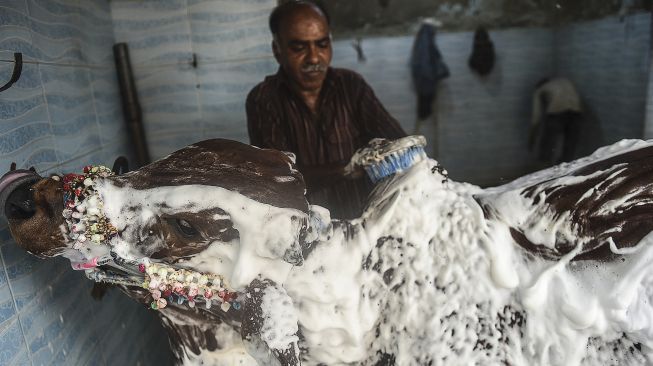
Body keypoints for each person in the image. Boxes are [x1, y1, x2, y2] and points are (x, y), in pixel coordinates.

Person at [246, 1, 406, 219]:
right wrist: (347, 169)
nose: (314, 58)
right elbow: (277, 179)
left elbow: (399, 144)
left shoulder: (351, 85)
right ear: (277, 50)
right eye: (299, 48)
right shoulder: (263, 99)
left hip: (365, 224)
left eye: (322, 45)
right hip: (306, 233)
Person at [529, 77, 583, 165]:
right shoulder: (565, 81)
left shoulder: (540, 89)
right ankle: (566, 168)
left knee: (548, 145)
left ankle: (545, 168)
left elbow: (536, 116)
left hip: (556, 114)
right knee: (570, 146)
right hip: (576, 113)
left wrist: (531, 138)